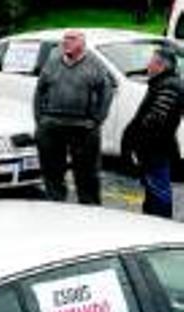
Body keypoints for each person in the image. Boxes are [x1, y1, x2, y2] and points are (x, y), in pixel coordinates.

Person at [33, 30, 114, 205]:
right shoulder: (52, 63)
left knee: (87, 175)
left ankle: (90, 210)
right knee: (52, 171)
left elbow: (107, 91)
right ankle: (56, 206)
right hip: (52, 125)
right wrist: (40, 120)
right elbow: (40, 91)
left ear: (82, 44)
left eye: (71, 39)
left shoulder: (95, 65)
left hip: (84, 127)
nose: (66, 42)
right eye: (65, 39)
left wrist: (97, 118)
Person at [125, 46, 184, 218]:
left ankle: (162, 228)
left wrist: (136, 141)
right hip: (154, 148)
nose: (147, 66)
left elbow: (156, 121)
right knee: (153, 191)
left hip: (156, 149)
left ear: (160, 65)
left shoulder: (169, 86)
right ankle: (152, 224)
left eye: (150, 62)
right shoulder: (163, 83)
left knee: (159, 192)